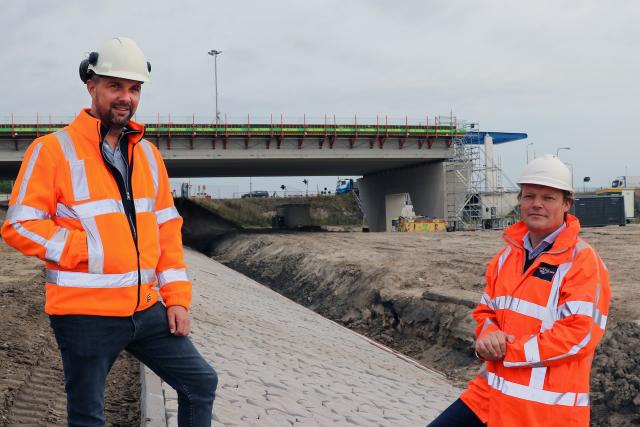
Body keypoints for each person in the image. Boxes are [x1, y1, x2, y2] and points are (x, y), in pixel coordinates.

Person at [1, 37, 218, 426]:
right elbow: (19, 225)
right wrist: (90, 249)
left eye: (134, 89)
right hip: (85, 313)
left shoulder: (148, 156)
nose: (126, 97)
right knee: (88, 417)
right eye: (115, 86)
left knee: (199, 382)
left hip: (145, 308)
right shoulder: (52, 151)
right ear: (92, 86)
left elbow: (167, 230)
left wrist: (177, 299)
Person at [428, 155, 610, 427]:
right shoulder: (506, 257)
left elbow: (579, 336)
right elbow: (486, 311)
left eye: (548, 198)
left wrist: (507, 351)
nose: (536, 204)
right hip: (489, 397)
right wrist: (488, 334)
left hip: (543, 413)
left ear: (566, 204)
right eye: (529, 196)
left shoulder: (582, 261)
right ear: (520, 201)